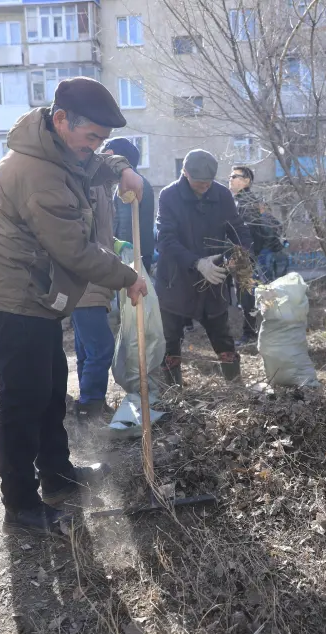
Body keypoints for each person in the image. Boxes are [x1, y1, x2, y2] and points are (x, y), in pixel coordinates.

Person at [0, 77, 149, 537]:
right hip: (16, 298)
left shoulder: (61, 149)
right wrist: (129, 277)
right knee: (23, 401)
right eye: (92, 137)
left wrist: (120, 167)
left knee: (52, 390)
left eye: (102, 140)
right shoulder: (39, 173)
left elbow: (91, 163)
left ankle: (56, 473)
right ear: (61, 120)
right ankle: (21, 506)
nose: (96, 146)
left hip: (37, 295)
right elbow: (74, 251)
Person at [155, 149, 251, 386]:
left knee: (221, 333)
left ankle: (235, 386)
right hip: (176, 278)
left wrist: (240, 254)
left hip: (214, 278)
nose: (205, 187)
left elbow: (237, 228)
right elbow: (165, 239)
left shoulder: (221, 195)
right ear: (185, 173)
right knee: (171, 338)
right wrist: (196, 262)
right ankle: (174, 391)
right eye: (199, 183)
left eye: (208, 182)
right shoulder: (169, 196)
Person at [70, 181, 120, 423]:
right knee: (101, 348)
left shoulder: (102, 188)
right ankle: (90, 408)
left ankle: (91, 404)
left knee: (87, 351)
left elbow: (101, 232)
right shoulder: (91, 185)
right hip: (88, 277)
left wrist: (114, 246)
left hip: (92, 278)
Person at [228, 164, 285, 347]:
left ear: (246, 181)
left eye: (235, 176)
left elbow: (253, 233)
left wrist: (245, 258)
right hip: (247, 257)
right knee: (247, 296)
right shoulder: (240, 201)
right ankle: (252, 333)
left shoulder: (247, 202)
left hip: (248, 258)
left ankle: (250, 335)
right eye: (230, 175)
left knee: (247, 297)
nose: (231, 179)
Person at [104, 138, 155, 275]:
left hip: (132, 256)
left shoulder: (129, 185)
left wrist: (121, 254)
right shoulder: (140, 181)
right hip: (140, 253)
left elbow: (126, 225)